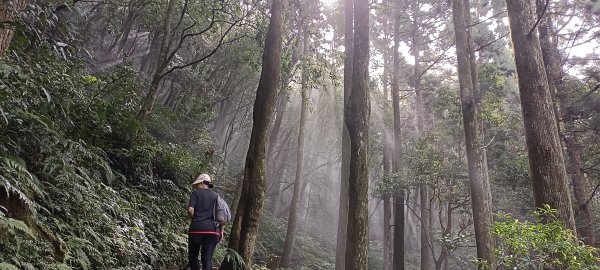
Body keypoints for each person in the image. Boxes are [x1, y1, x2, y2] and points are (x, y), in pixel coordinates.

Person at [187, 174, 224, 270]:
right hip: (213, 231)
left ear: (203, 183)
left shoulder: (196, 193)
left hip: (196, 230)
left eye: (197, 184)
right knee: (207, 259)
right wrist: (221, 231)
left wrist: (195, 220)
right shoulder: (216, 196)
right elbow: (222, 216)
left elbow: (190, 210)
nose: (196, 187)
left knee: (193, 256)